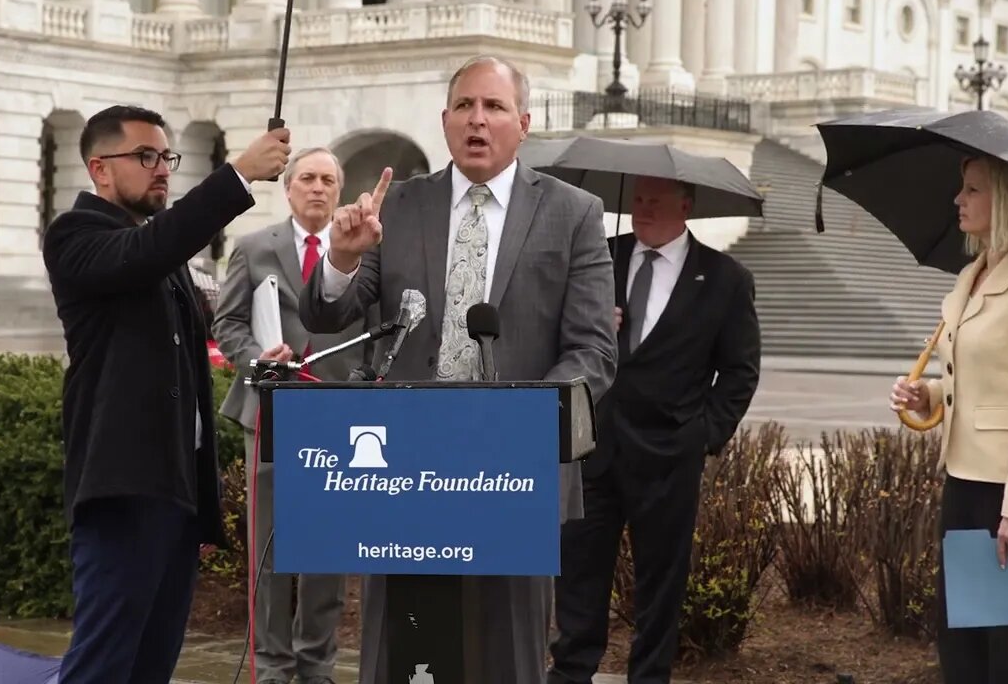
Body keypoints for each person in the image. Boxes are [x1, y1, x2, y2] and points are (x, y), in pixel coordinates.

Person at [298, 55, 618, 684]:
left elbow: (592, 352)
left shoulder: (573, 212)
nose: (478, 120)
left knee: (507, 655)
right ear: (444, 121)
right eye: (465, 107)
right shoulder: (398, 208)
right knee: (403, 650)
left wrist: (515, 421)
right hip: (403, 472)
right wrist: (339, 257)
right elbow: (329, 313)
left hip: (514, 473)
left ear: (523, 123)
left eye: (494, 108)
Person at [42, 104, 291, 684]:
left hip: (177, 489)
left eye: (166, 157)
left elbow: (192, 333)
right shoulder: (76, 235)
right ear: (99, 168)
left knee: (153, 665)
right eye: (146, 156)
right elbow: (146, 254)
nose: (161, 169)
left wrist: (261, 355)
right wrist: (238, 175)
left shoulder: (158, 248)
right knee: (103, 664)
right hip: (124, 487)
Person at [547, 176, 761, 684]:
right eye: (637, 199)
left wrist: (703, 434)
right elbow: (553, 327)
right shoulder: (597, 256)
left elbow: (740, 371)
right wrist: (594, 323)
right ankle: (571, 673)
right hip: (592, 447)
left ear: (685, 206)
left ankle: (650, 676)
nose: (643, 209)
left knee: (660, 584)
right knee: (579, 575)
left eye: (656, 201)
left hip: (669, 457)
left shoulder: (725, 277)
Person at [889, 154, 1008, 683]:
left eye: (973, 191)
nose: (958, 201)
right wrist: (930, 397)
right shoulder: (973, 274)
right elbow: (982, 381)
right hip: (963, 482)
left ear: (1007, 202)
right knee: (963, 641)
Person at [214, 147, 375, 684]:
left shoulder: (363, 254)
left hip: (338, 421)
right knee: (270, 553)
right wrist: (254, 359)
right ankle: (272, 666)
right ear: (287, 188)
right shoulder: (256, 246)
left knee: (327, 559)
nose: (318, 188)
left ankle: (316, 667)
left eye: (329, 180)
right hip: (270, 416)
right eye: (307, 177)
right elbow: (229, 322)